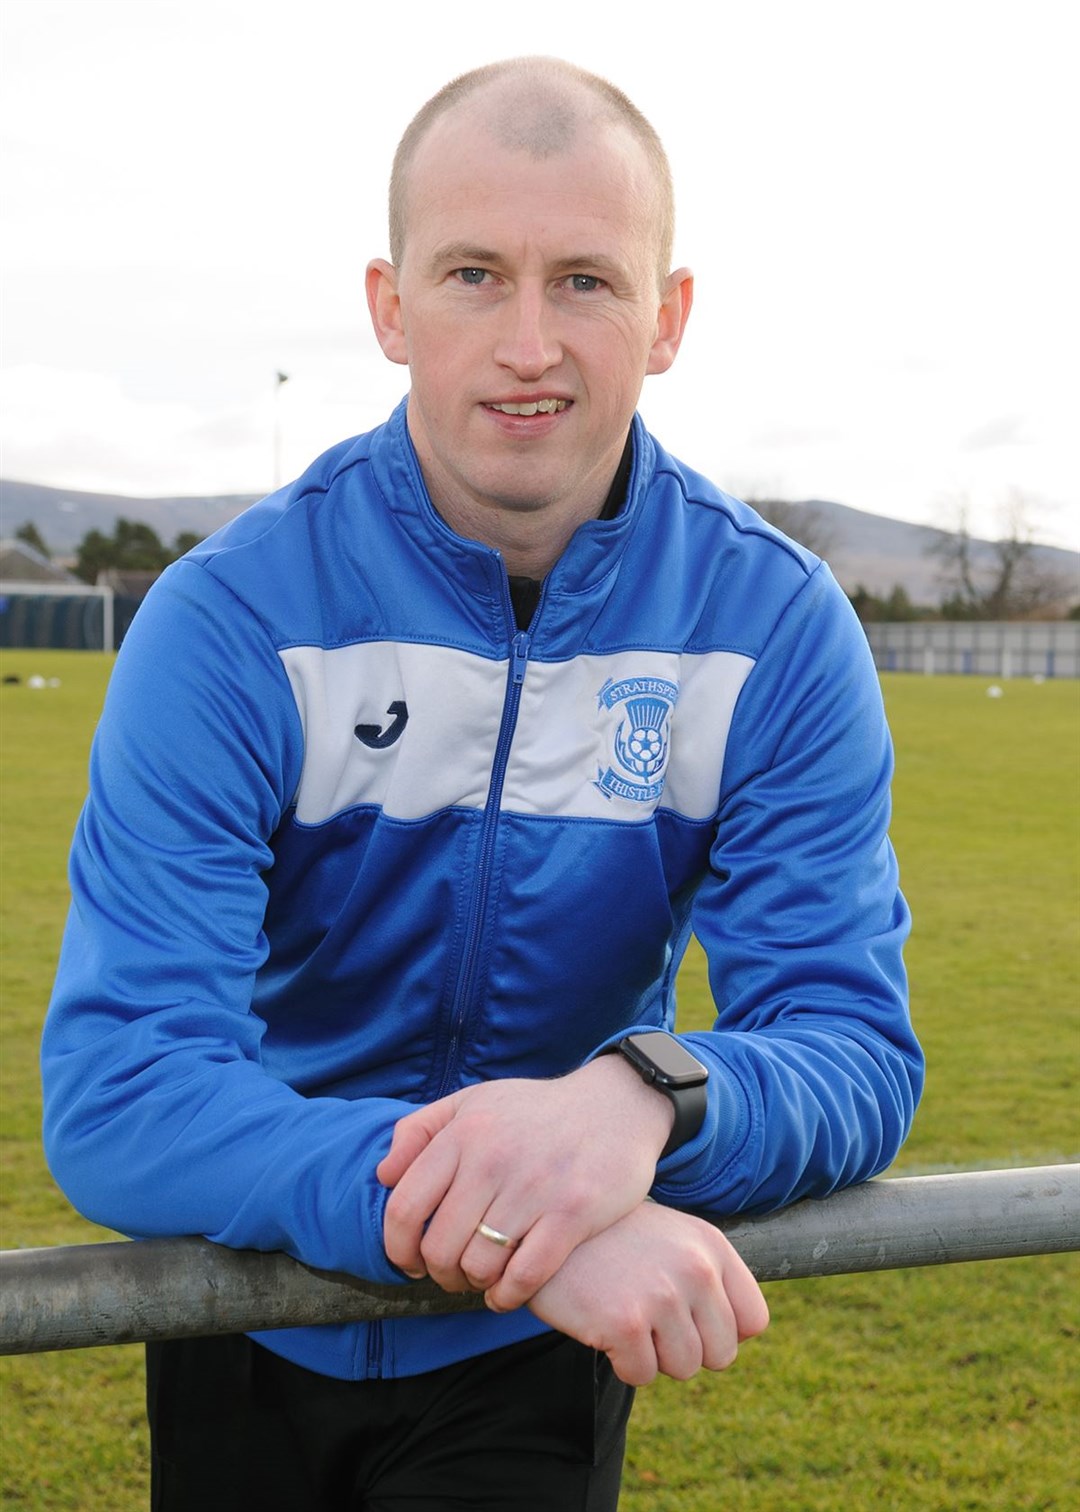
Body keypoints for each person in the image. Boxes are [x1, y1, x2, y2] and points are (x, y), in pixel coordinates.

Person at [41, 55, 923, 1511]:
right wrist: (530, 1214)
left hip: (530, 1364)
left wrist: (644, 1099)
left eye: (586, 280)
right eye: (472, 275)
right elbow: (124, 1087)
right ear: (392, 307)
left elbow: (852, 1045)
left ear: (669, 317)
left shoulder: (773, 627)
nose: (530, 344)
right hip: (247, 1295)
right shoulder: (232, 619)